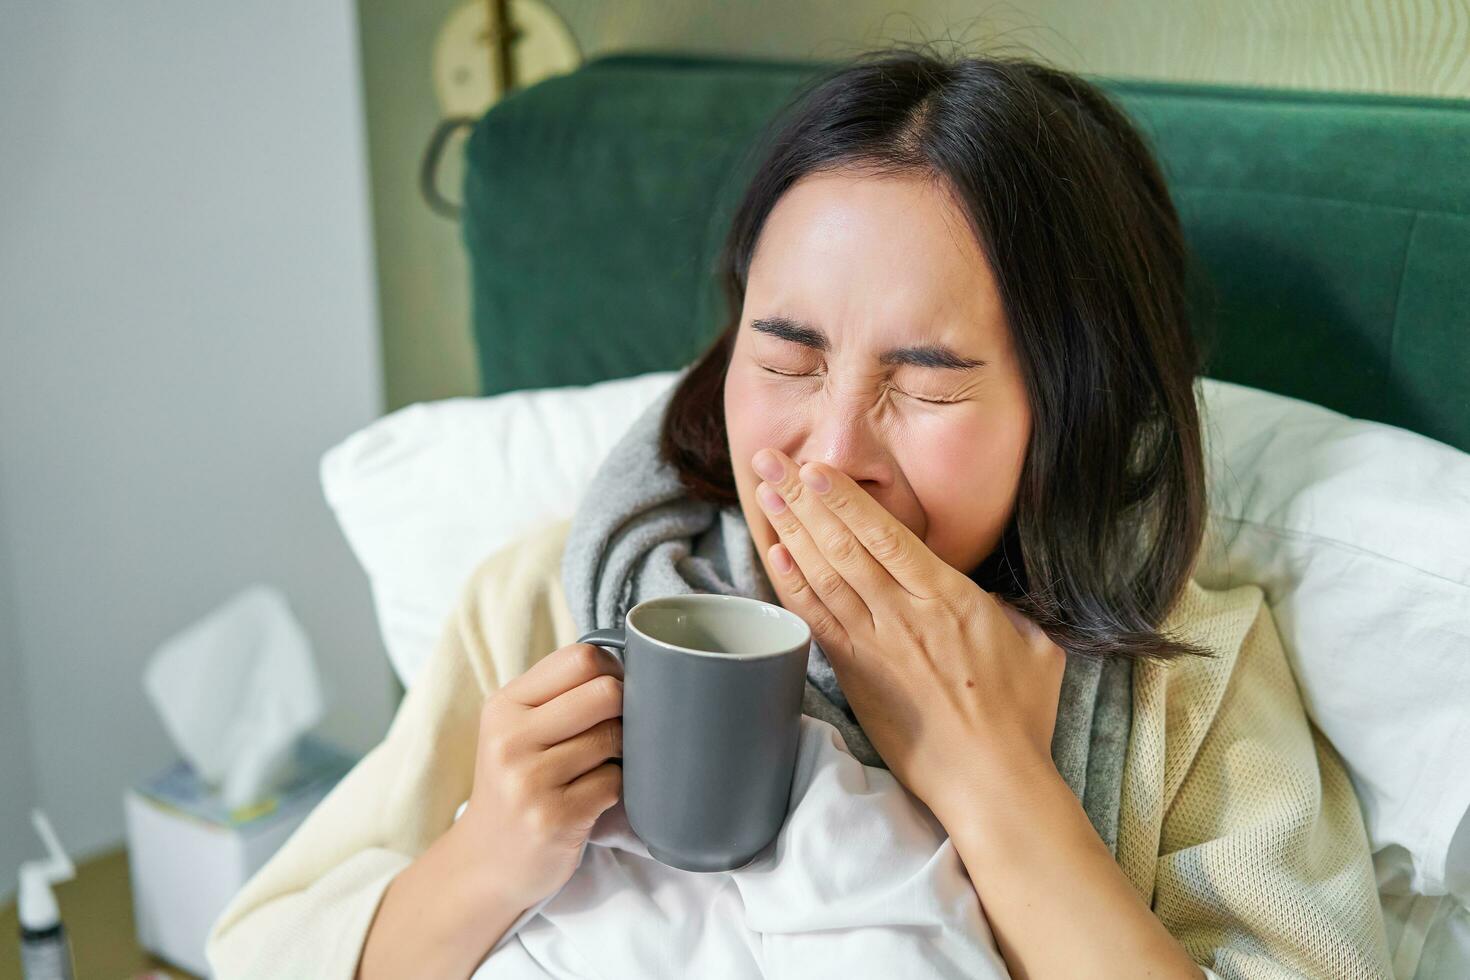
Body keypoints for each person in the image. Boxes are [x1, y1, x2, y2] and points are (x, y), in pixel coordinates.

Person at [206, 49, 1394, 979]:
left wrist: (997, 784)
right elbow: (264, 951)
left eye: (925, 383)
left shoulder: (1185, 682)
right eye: (785, 359)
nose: (831, 456)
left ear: (1074, 406)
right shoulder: (545, 594)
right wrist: (484, 858)